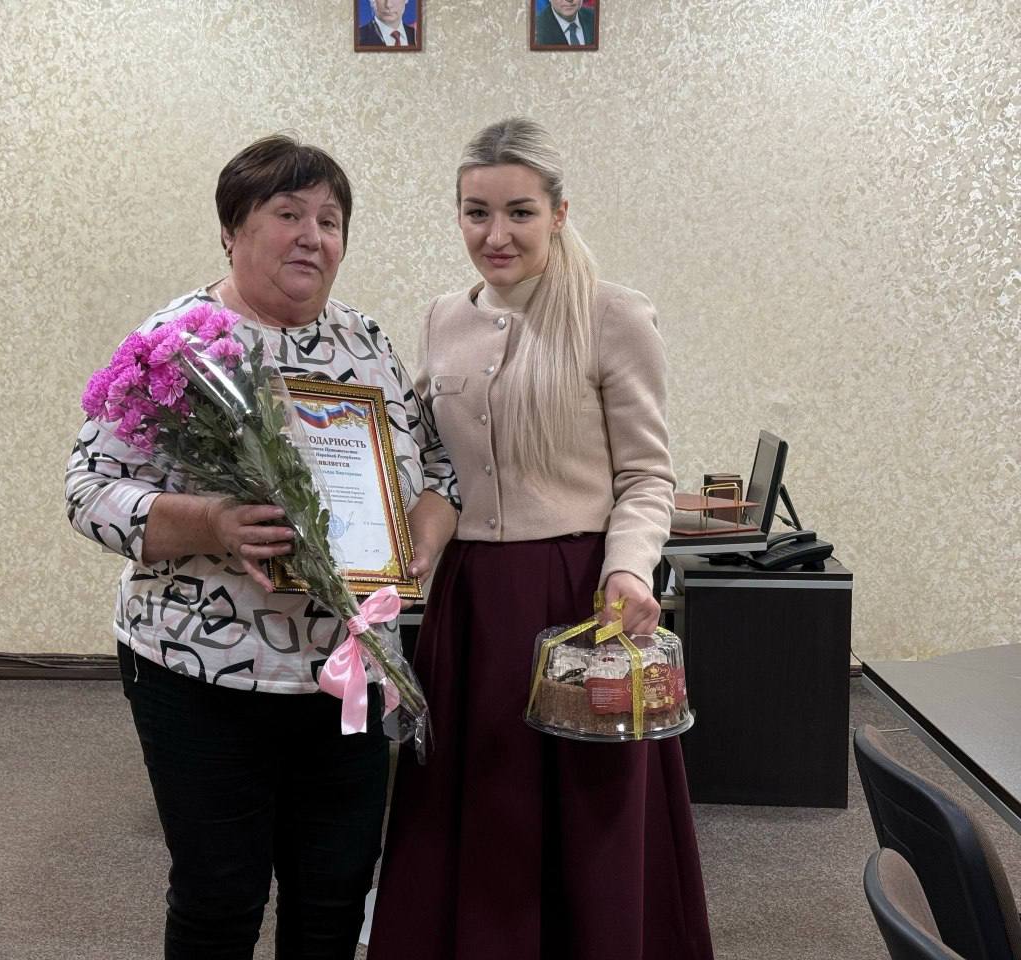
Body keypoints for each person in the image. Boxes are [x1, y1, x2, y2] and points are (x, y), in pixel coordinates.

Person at [65, 134, 459, 960]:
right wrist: (211, 522)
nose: (313, 236)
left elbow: (435, 473)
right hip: (203, 673)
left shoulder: (365, 341)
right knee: (220, 896)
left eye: (331, 220)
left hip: (348, 673)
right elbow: (90, 492)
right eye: (288, 214)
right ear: (231, 230)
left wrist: (419, 544)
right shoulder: (179, 345)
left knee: (336, 891)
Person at [367, 118, 714, 959]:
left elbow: (647, 477)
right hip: (472, 603)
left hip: (580, 597)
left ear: (559, 213)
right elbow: (427, 460)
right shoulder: (441, 318)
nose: (496, 234)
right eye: (476, 213)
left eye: (519, 212)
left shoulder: (613, 315)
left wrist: (631, 572)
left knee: (587, 814)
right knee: (482, 803)